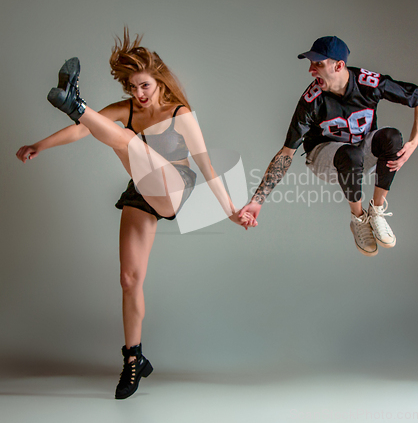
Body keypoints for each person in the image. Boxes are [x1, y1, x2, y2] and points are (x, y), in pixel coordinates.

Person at [16, 30, 253, 399]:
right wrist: (39, 145)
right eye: (131, 87)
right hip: (142, 189)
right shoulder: (128, 109)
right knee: (129, 280)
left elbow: (206, 165)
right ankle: (134, 359)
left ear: (158, 78)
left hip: (174, 185)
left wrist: (231, 212)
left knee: (122, 137)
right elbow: (83, 132)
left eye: (143, 85)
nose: (138, 94)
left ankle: (75, 102)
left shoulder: (180, 113)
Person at [239, 36, 418, 256]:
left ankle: (376, 211)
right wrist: (257, 200)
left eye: (318, 64)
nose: (311, 70)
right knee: (350, 154)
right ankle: (358, 219)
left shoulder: (369, 83)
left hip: (362, 153)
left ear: (339, 65)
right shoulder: (312, 100)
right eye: (311, 63)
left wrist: (414, 142)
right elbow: (286, 154)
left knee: (392, 137)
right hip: (325, 159)